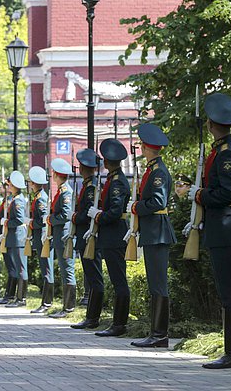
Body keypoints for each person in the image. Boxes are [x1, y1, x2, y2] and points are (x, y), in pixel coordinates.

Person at [186, 93, 231, 369]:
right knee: (227, 291)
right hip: (221, 227)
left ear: (211, 123)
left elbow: (229, 192)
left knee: (230, 292)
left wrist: (199, 195)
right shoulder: (220, 151)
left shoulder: (228, 155)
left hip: (227, 227)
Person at [129, 123, 177, 348]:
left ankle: (159, 335)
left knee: (158, 284)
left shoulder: (158, 172)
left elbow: (158, 201)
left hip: (157, 231)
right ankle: (156, 333)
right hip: (153, 231)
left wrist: (137, 207)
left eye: (141, 146)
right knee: (154, 283)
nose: (140, 149)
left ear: (146, 148)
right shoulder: (153, 169)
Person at [86, 138, 131, 337]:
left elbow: (114, 212)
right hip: (111, 236)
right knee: (116, 280)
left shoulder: (117, 182)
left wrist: (97, 215)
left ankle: (119, 324)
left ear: (106, 163)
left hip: (115, 235)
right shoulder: (113, 179)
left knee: (119, 281)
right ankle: (117, 322)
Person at [70, 149, 104, 330]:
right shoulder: (88, 185)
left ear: (83, 168)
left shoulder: (91, 188)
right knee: (91, 276)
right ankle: (90, 316)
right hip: (85, 236)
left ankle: (93, 317)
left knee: (94, 277)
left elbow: (89, 213)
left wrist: (75, 217)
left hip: (89, 235)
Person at [48, 158, 76, 318]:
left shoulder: (66, 192)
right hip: (60, 235)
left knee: (67, 270)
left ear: (56, 175)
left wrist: (51, 219)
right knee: (65, 270)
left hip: (64, 235)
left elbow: (65, 214)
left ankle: (69, 307)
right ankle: (66, 305)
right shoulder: (61, 190)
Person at [28, 166, 53, 314]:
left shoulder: (40, 198)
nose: (29, 184)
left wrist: (31, 223)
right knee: (45, 269)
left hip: (43, 238)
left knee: (47, 270)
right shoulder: (38, 197)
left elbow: (43, 220)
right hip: (40, 237)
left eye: (31, 181)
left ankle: (47, 302)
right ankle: (45, 301)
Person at [3, 171, 28, 309]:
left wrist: (7, 223)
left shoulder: (18, 200)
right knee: (18, 268)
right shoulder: (15, 198)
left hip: (18, 237)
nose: (8, 187)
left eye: (10, 185)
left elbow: (19, 219)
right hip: (14, 238)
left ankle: (22, 298)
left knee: (21, 268)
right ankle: (19, 297)